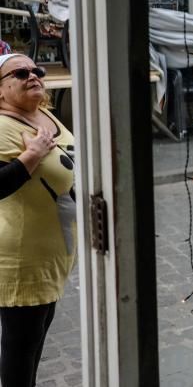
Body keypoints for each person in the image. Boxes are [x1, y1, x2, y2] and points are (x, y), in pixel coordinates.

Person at [0, 53, 76, 386]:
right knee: (20, 353)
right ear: (1, 91)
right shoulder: (2, 126)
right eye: (20, 72)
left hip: (51, 258)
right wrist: (31, 156)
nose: (33, 75)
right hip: (21, 263)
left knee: (34, 344)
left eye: (36, 70)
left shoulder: (42, 113)